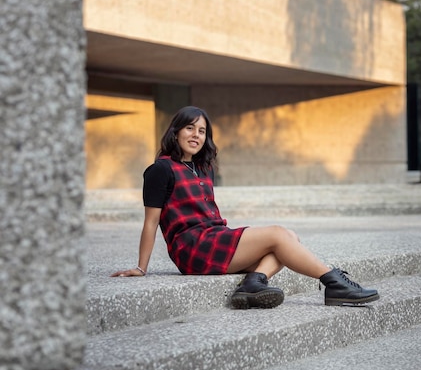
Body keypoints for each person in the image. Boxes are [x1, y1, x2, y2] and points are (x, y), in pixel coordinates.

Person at [111, 106, 379, 309]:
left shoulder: (203, 168)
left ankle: (253, 284)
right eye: (190, 128)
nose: (196, 135)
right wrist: (141, 267)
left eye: (202, 131)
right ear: (176, 131)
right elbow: (151, 222)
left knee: (289, 239)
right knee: (279, 235)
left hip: (214, 236)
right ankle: (333, 282)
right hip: (192, 247)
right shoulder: (161, 169)